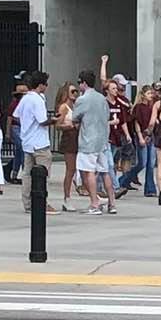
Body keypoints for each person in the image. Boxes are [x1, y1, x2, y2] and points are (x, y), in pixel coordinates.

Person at [69, 69, 117, 215]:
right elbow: (107, 115)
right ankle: (112, 203)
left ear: (84, 83)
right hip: (102, 140)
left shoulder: (82, 100)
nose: (79, 86)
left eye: (79, 83)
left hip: (88, 140)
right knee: (105, 172)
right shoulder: (102, 98)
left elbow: (75, 118)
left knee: (87, 171)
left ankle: (94, 203)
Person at [16, 70, 58, 214]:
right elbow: (42, 121)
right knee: (42, 175)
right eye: (45, 84)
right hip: (40, 143)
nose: (46, 87)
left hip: (27, 142)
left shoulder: (25, 98)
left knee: (27, 174)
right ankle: (41, 203)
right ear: (40, 85)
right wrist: (55, 120)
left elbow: (16, 116)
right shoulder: (37, 99)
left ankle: (28, 204)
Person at [103, 79, 132, 199]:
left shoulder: (119, 103)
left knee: (110, 163)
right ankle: (115, 187)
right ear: (107, 91)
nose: (116, 91)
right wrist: (111, 122)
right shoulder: (104, 103)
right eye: (113, 89)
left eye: (117, 89)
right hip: (106, 137)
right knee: (108, 163)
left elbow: (123, 121)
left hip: (116, 136)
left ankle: (107, 187)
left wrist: (127, 134)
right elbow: (100, 121)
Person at [127, 84, 157, 197]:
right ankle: (124, 179)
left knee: (151, 163)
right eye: (148, 93)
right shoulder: (139, 107)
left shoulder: (152, 107)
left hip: (151, 135)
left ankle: (150, 189)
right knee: (142, 163)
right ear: (143, 95)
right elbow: (137, 123)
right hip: (142, 135)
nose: (151, 96)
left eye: (151, 93)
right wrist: (140, 137)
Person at [55, 81, 80, 210]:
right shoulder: (64, 107)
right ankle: (67, 198)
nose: (75, 94)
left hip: (78, 138)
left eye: (76, 91)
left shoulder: (76, 105)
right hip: (69, 138)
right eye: (72, 91)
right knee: (70, 170)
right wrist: (69, 125)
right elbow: (58, 125)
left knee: (78, 169)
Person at [5, 74, 28, 184]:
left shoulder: (23, 103)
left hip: (21, 128)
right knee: (23, 150)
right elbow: (10, 118)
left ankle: (14, 174)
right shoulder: (14, 103)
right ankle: (25, 172)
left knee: (18, 152)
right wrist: (8, 132)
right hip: (16, 127)